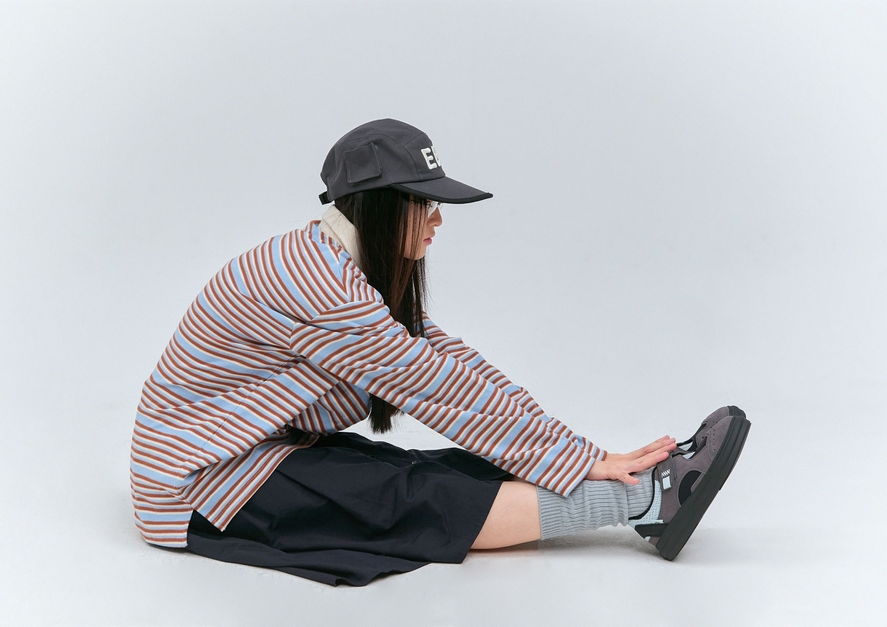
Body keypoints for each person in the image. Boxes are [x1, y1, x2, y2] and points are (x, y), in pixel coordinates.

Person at [130, 118, 750, 586]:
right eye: (423, 203)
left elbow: (455, 366)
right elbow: (435, 387)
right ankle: (649, 499)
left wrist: (582, 451)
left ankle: (642, 492)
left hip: (252, 452)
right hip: (201, 484)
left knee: (450, 469)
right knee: (415, 499)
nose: (437, 220)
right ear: (380, 207)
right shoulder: (317, 283)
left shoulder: (341, 268)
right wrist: (581, 458)